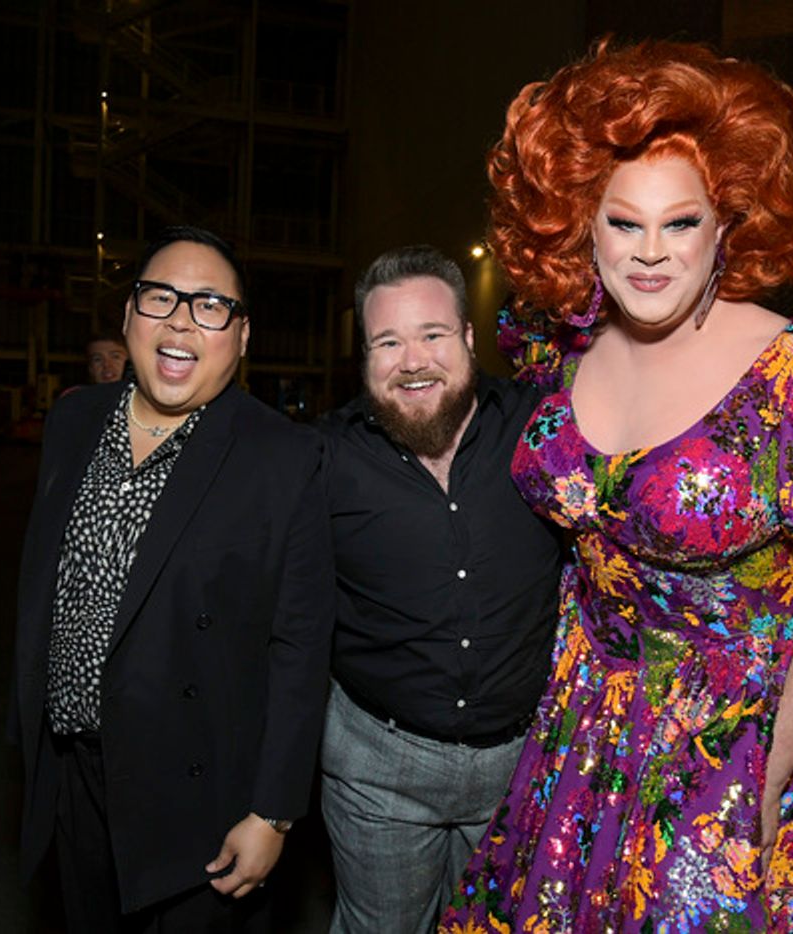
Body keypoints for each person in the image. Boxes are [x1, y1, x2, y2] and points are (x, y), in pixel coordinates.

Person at [443, 40, 793, 932]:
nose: (650, 253)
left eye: (680, 223)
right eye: (623, 223)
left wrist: (759, 778)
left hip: (756, 730)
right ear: (582, 223)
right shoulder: (564, 350)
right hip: (590, 732)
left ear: (728, 224)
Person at [9, 225, 334, 933]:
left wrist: (273, 811)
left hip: (197, 800)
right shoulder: (74, 419)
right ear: (128, 318)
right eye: (161, 298)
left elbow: (300, 650)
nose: (182, 319)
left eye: (211, 304)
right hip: (74, 778)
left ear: (241, 338)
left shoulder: (282, 457)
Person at [319, 245, 563, 933]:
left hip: (521, 765)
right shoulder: (324, 458)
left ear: (466, 338)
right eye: (387, 341)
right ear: (363, 355)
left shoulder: (541, 428)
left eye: (431, 335)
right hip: (377, 768)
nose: (413, 360)